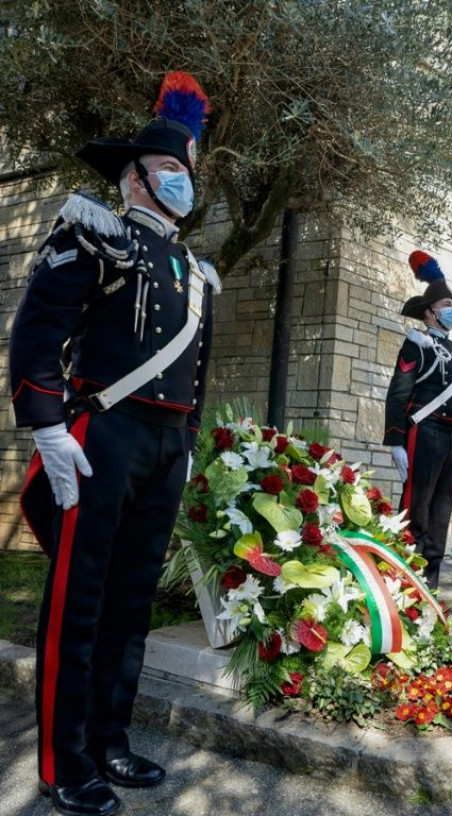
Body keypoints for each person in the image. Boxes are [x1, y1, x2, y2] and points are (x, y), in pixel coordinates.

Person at [9, 72, 220, 816]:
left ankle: (112, 737)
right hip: (101, 437)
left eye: (185, 174)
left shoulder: (196, 274)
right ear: (134, 179)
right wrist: (47, 427)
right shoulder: (95, 232)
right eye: (167, 172)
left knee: (132, 603)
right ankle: (66, 763)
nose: (180, 184)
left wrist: (188, 442)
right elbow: (37, 335)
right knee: (80, 601)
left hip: (163, 449)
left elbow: (198, 370)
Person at [383, 251, 452, 589]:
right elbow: (398, 393)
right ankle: (403, 582)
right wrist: (395, 441)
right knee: (415, 507)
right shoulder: (416, 344)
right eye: (446, 304)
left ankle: (429, 585)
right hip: (426, 431)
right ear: (430, 313)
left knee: (441, 509)